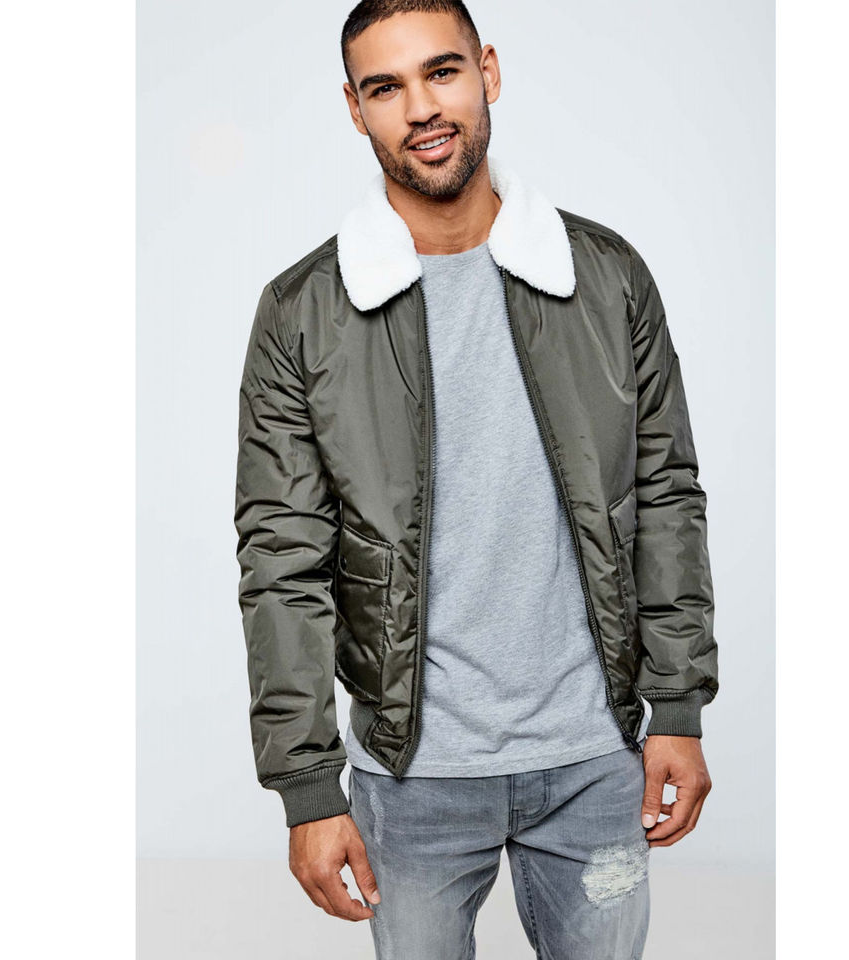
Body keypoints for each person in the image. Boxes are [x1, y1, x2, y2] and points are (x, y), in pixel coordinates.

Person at [233, 2, 718, 956]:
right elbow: (281, 560)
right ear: (354, 108)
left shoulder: (606, 276)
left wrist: (677, 707)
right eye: (385, 87)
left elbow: (664, 492)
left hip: (594, 759)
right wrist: (306, 787)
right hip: (411, 775)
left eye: (442, 72)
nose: (420, 107)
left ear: (487, 71)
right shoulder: (303, 311)